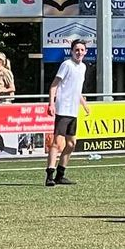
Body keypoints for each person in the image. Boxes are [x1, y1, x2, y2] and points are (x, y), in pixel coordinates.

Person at [46, 39, 90, 187]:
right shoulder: (66, 65)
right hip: (63, 108)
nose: (79, 52)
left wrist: (84, 104)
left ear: (85, 52)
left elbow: (77, 90)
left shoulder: (83, 67)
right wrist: (51, 103)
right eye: (76, 50)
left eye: (81, 50)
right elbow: (54, 86)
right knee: (57, 143)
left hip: (73, 111)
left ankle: (60, 174)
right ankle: (50, 175)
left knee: (71, 144)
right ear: (72, 51)